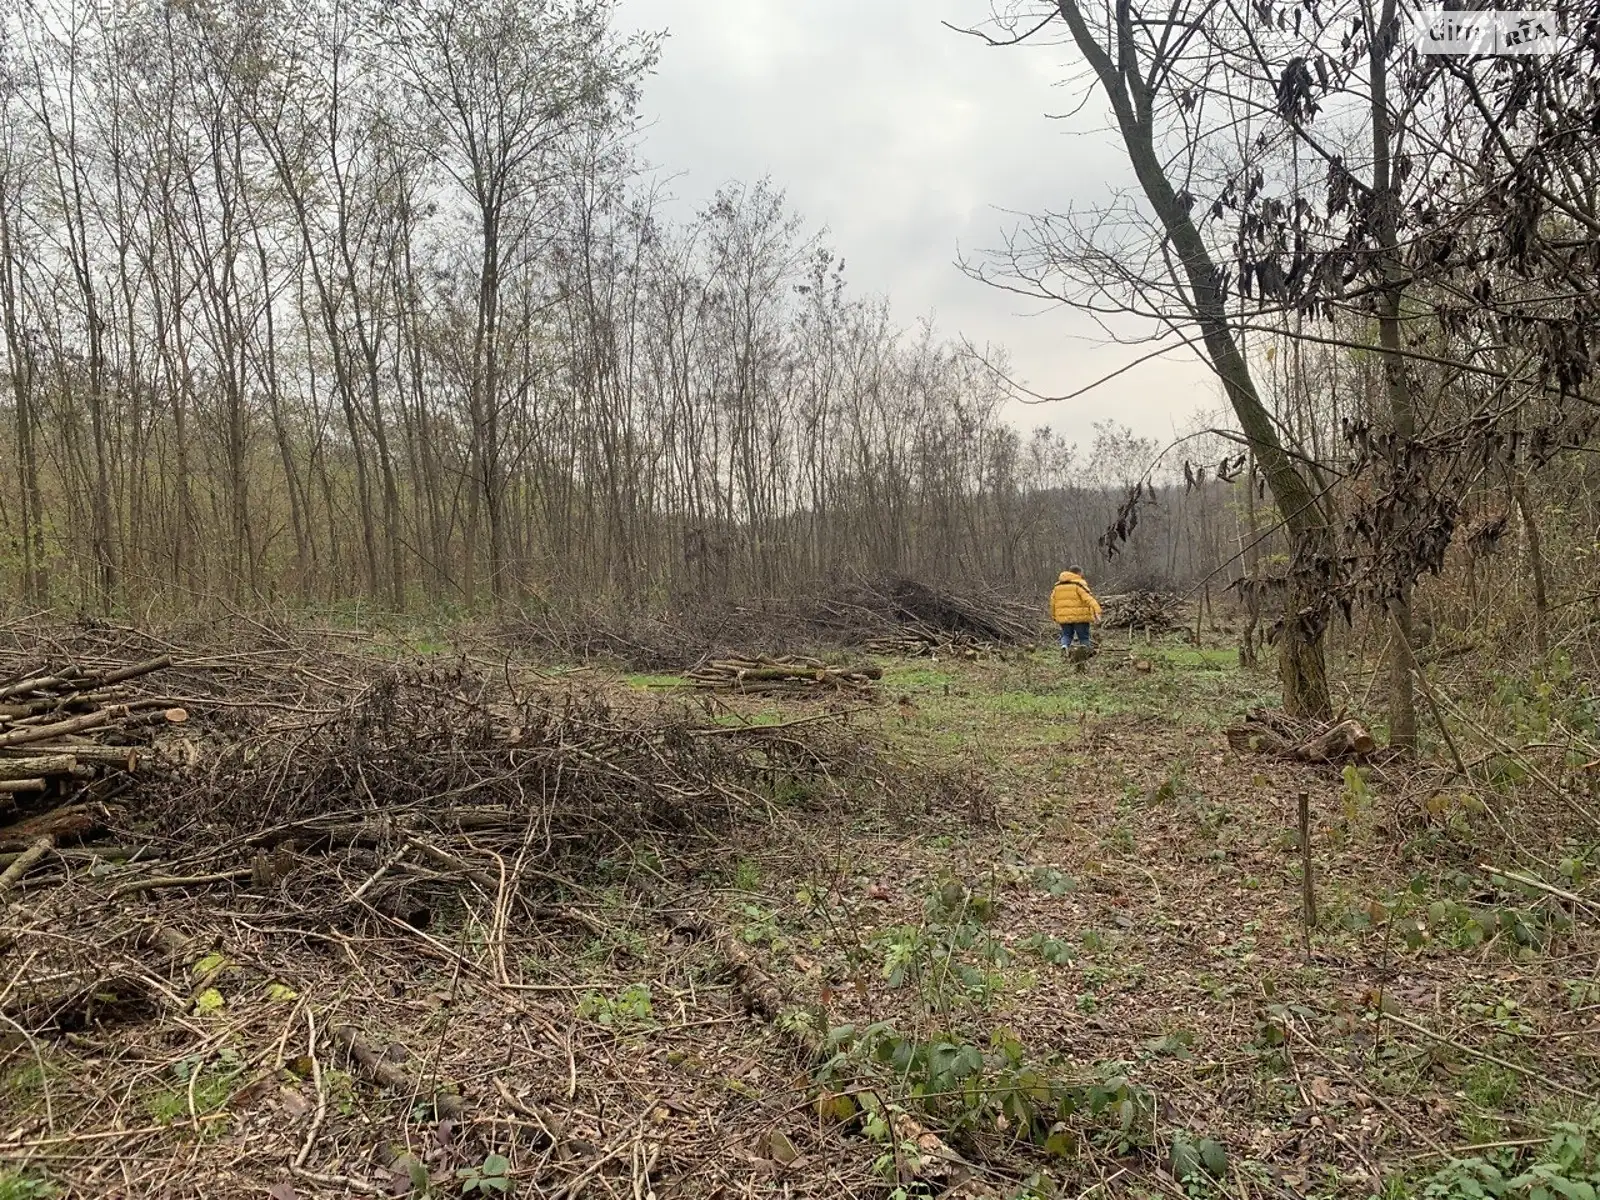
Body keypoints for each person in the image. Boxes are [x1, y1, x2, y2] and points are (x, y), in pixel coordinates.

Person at [1050, 566, 1102, 654]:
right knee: (1083, 637)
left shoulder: (1057, 586)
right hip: (1080, 617)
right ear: (1078, 573)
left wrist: (1054, 615)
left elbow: (1052, 602)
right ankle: (1085, 653)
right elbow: (1088, 598)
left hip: (1063, 616)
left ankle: (1064, 646)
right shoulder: (1078, 584)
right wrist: (1097, 610)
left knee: (1066, 634)